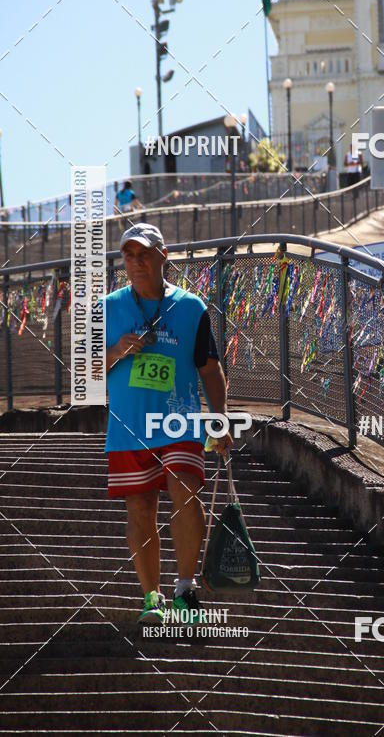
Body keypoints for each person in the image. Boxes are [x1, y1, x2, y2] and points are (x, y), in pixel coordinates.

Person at [105, 223, 233, 624]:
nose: (136, 261)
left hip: (179, 419)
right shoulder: (106, 309)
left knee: (186, 492)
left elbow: (210, 370)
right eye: (129, 255)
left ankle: (185, 591)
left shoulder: (191, 307)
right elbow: (82, 375)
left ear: (164, 254)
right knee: (140, 507)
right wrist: (115, 350)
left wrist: (220, 419)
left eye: (144, 253)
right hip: (129, 424)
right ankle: (152, 599)